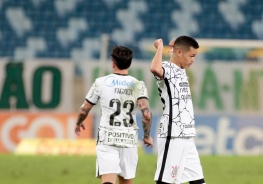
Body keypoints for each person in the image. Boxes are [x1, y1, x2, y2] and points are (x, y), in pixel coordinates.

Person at [75, 45, 154, 184]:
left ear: (113, 63)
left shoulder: (101, 82)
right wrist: (147, 136)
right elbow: (146, 114)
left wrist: (78, 122)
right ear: (129, 63)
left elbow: (84, 110)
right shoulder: (138, 85)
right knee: (125, 181)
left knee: (107, 179)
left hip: (108, 138)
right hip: (129, 139)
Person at [150, 36, 206, 184]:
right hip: (173, 134)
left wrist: (175, 48)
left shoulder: (181, 69)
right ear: (180, 53)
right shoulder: (166, 69)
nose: (193, 60)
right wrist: (160, 48)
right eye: (191, 56)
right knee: (166, 181)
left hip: (187, 136)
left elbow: (179, 53)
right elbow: (155, 68)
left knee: (198, 181)